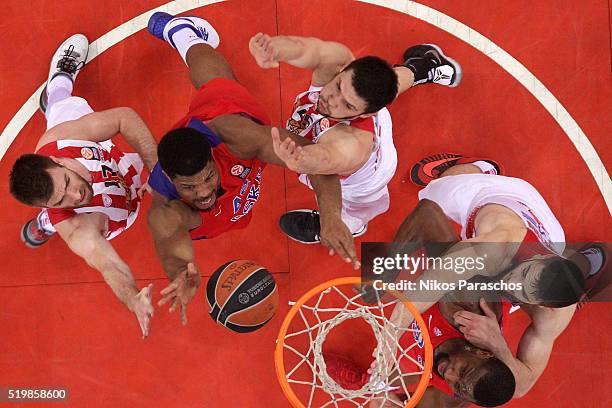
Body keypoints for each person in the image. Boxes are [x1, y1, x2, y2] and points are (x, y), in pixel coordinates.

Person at [145, 13, 355, 324]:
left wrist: (331, 216)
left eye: (207, 178)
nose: (204, 192)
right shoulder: (166, 210)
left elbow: (318, 161)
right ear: (170, 180)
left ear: (212, 156)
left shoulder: (238, 138)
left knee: (218, 84)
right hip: (216, 207)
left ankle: (185, 35)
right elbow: (173, 250)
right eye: (189, 187)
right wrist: (181, 275)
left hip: (225, 118)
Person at [369, 155, 605, 399]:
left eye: (523, 292)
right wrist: (391, 332)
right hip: (492, 198)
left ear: (540, 304)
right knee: (431, 193)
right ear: (538, 258)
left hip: (548, 233)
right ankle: (482, 168)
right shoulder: (493, 248)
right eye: (522, 273)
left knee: (520, 292)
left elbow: (521, 387)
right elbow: (432, 283)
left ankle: (582, 266)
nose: (510, 283)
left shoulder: (553, 313)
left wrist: (498, 345)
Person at [8, 34, 158, 337]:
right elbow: (107, 263)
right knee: (58, 222)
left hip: (112, 162)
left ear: (59, 163)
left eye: (67, 183)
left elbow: (123, 118)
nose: (76, 195)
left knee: (64, 104)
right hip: (114, 209)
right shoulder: (78, 227)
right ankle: (45, 224)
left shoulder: (60, 141)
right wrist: (131, 298)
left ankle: (59, 80)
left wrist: (157, 171)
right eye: (62, 200)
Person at [248, 33, 462, 244]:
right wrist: (275, 48)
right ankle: (425, 64)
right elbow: (304, 48)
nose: (332, 100)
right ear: (343, 69)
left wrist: (302, 158)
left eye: (348, 105)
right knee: (385, 82)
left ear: (366, 114)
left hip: (366, 180)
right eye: (339, 86)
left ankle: (353, 224)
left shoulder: (352, 143)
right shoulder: (339, 63)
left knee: (355, 207)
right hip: (364, 114)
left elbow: (326, 159)